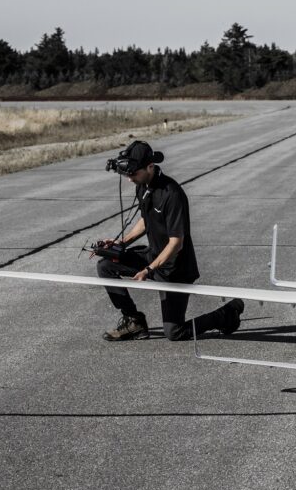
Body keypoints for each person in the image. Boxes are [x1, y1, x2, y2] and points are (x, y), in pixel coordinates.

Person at [95, 140, 243, 341]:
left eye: (133, 174)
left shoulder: (172, 194)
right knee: (106, 266)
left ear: (150, 167)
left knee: (174, 333)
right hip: (154, 257)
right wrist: (121, 242)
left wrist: (149, 270)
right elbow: (146, 220)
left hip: (176, 269)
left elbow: (176, 243)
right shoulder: (143, 185)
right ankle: (135, 322)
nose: (130, 180)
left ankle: (225, 315)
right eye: (127, 175)